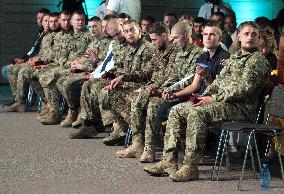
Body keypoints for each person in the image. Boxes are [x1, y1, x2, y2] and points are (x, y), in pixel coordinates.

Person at [144, 21, 271, 182]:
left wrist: (213, 98)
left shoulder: (257, 60)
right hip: (224, 104)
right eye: (246, 34)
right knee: (177, 110)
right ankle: (168, 161)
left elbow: (244, 89)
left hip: (241, 108)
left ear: (259, 38)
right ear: (239, 37)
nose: (250, 37)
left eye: (254, 34)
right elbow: (218, 82)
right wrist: (204, 96)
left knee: (198, 113)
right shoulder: (236, 57)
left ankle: (190, 167)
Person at [115, 21, 204, 159]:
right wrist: (166, 89)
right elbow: (172, 76)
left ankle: (148, 148)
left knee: (150, 103)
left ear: (185, 36)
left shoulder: (196, 54)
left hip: (185, 95)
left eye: (175, 38)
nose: (173, 41)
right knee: (131, 97)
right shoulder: (180, 52)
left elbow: (188, 81)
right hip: (168, 91)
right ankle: (139, 144)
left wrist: (164, 90)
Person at [38, 10, 92, 125]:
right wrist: (69, 64)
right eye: (78, 20)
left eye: (82, 20)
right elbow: (62, 55)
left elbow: (89, 55)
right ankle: (53, 110)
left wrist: (77, 64)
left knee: (53, 76)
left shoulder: (88, 35)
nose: (81, 22)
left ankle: (70, 111)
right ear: (72, 22)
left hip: (80, 68)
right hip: (68, 66)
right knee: (44, 75)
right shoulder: (69, 36)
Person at [2, 8, 50, 107]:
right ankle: (18, 99)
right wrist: (23, 59)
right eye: (39, 19)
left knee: (12, 70)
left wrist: (28, 60)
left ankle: (22, 99)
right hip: (32, 60)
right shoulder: (40, 33)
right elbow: (32, 51)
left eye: (44, 19)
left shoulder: (49, 35)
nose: (40, 21)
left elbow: (41, 54)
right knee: (9, 69)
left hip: (40, 63)